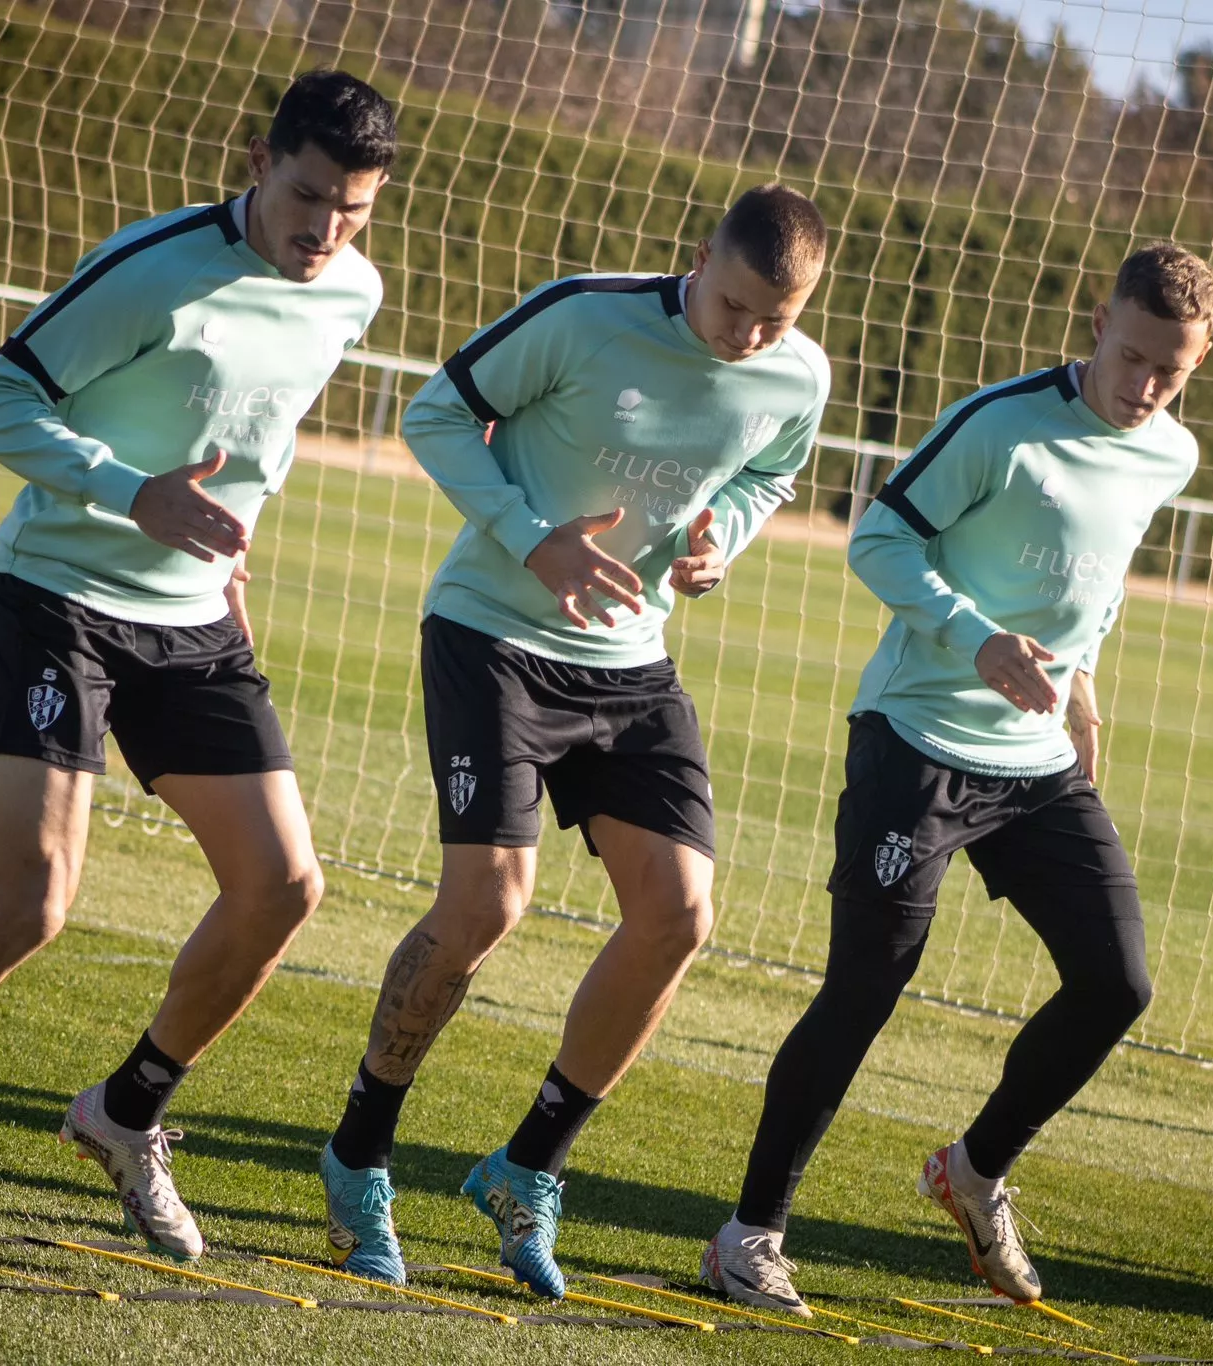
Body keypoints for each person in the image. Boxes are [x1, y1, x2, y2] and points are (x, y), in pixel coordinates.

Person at [0, 70, 397, 1263]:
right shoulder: (153, 267)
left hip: (192, 618)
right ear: (259, 163)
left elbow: (258, 431)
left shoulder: (352, 289)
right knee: (28, 901)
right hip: (52, 595)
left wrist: (229, 557)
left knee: (282, 887)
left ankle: (125, 1112)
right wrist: (128, 491)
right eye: (309, 196)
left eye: (353, 209)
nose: (326, 229)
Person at [314, 185, 833, 1297]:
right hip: (493, 635)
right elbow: (434, 415)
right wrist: (531, 536)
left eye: (776, 320)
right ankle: (359, 1154)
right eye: (734, 307)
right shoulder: (584, 313)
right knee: (486, 905)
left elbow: (769, 471)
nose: (750, 337)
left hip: (631, 661)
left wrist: (720, 540)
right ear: (701, 256)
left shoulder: (799, 374)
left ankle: (527, 1169)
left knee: (679, 912)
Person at [701, 243, 1213, 1317]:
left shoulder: (1171, 453)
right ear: (1097, 324)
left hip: (1034, 761)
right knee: (864, 989)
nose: (1143, 388)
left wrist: (1081, 684)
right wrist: (976, 637)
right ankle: (747, 1236)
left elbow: (1097, 576)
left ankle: (974, 1172)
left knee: (1117, 983)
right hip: (918, 740)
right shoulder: (998, 425)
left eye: (1169, 372)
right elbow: (878, 540)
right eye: (1130, 358)